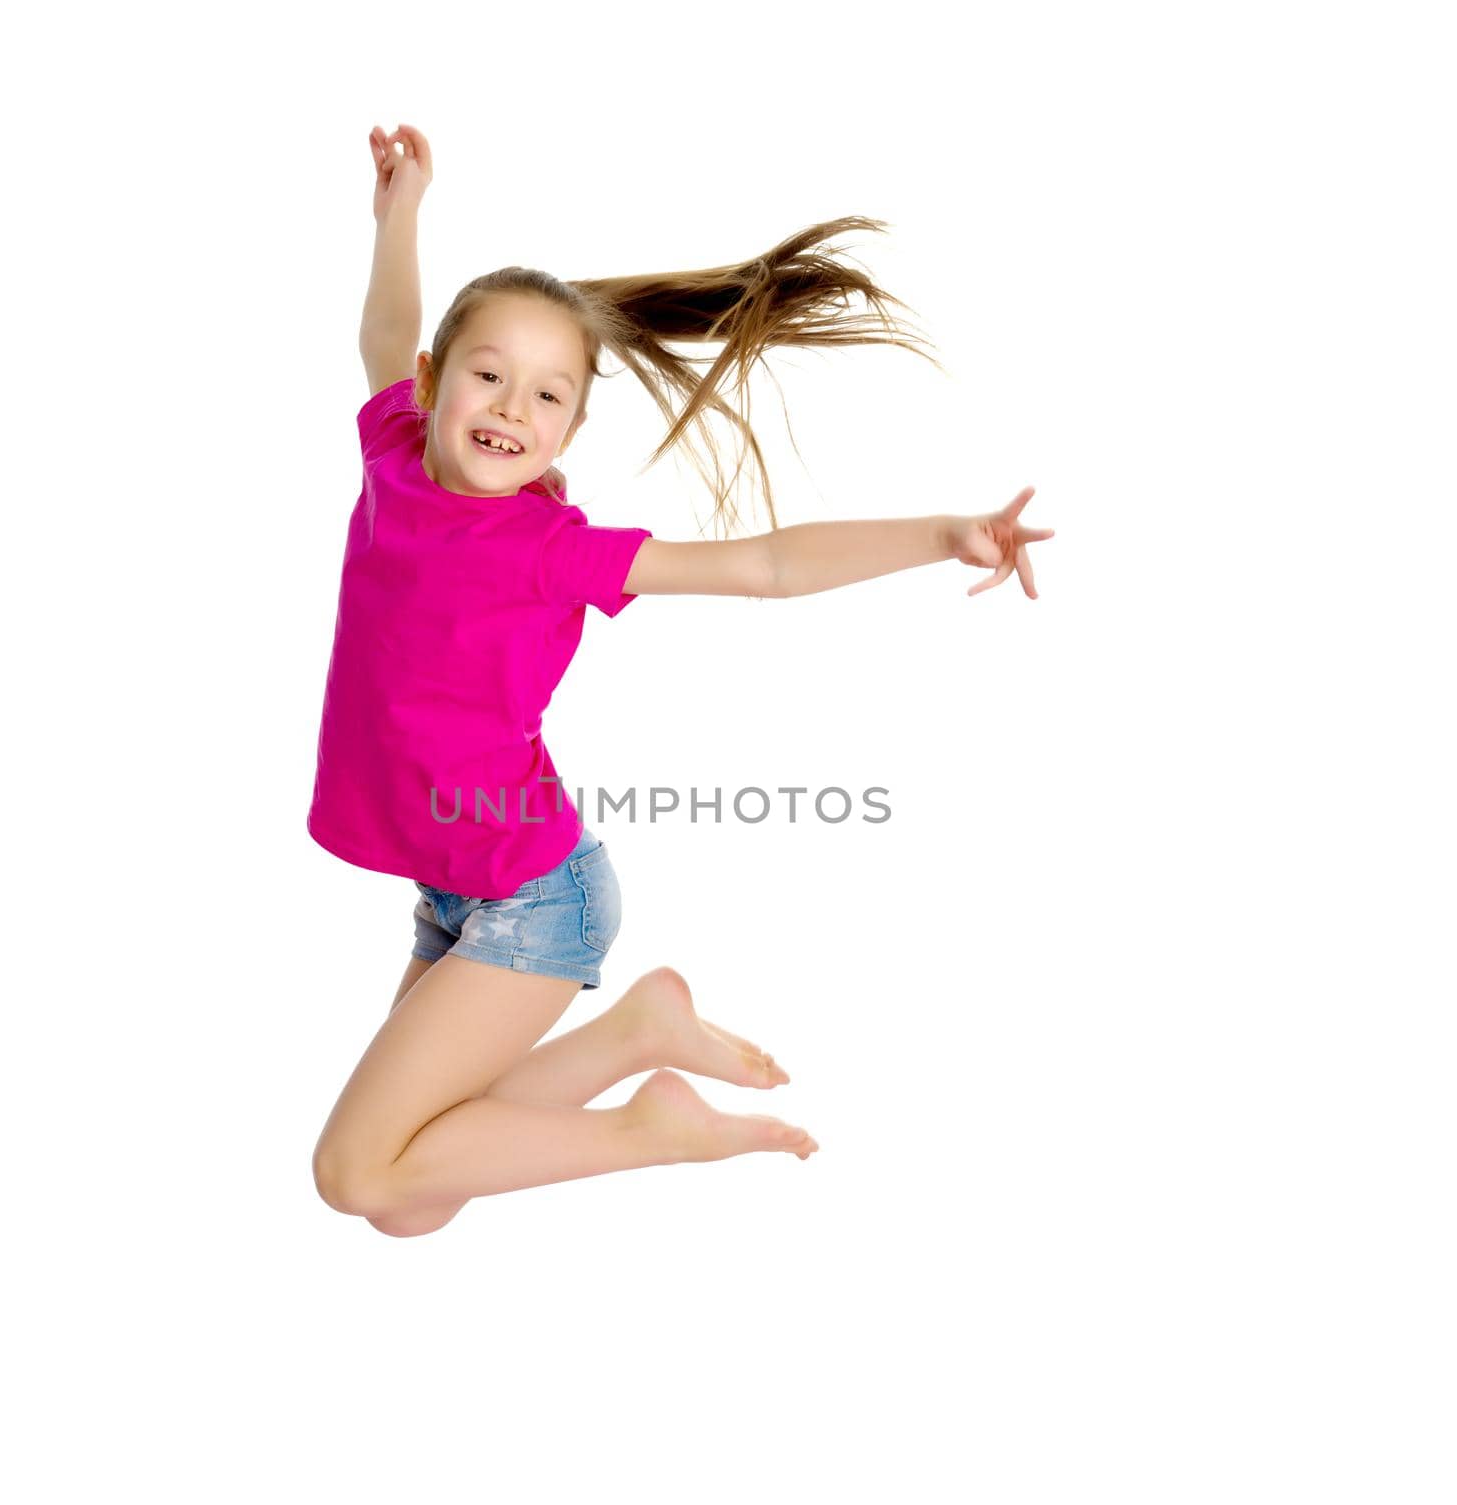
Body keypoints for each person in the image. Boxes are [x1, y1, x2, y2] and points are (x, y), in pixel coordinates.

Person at [309, 123, 1055, 1237]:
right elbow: (381, 333)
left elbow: (763, 565)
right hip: (456, 884)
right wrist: (400, 208)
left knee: (359, 1175)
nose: (514, 409)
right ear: (437, 383)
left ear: (573, 423)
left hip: (530, 899)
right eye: (489, 377)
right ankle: (634, 1033)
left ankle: (646, 1130)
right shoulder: (392, 450)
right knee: (414, 1202)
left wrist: (942, 532)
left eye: (548, 396)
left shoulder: (550, 551)